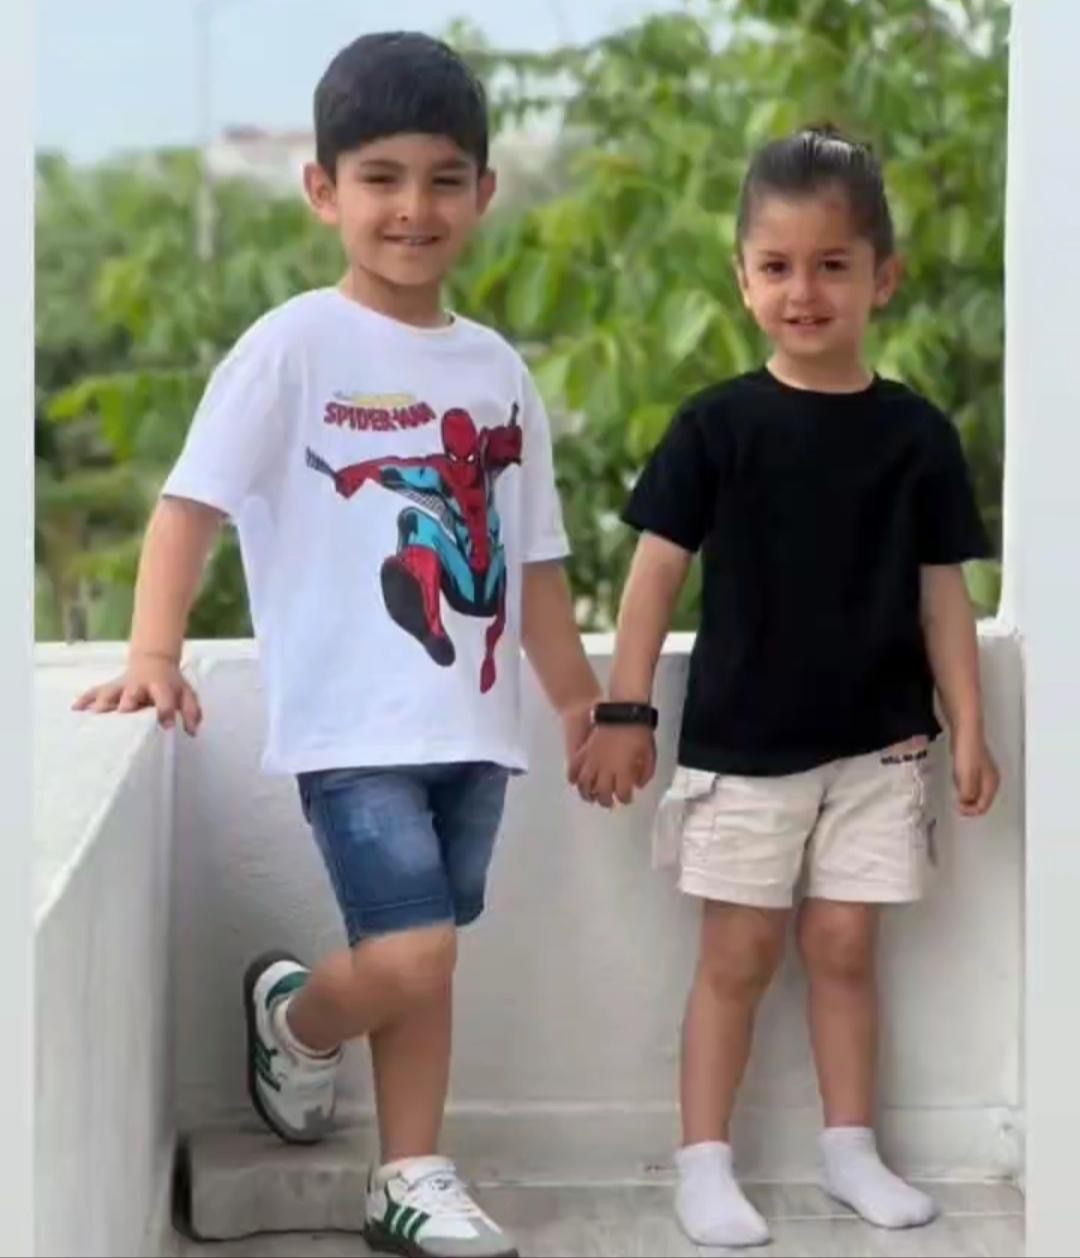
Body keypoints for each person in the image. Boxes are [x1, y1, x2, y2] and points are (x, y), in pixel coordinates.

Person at [74, 31, 601, 1258]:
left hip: (477, 729)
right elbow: (189, 506)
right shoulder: (293, 345)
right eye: (381, 177)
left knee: (426, 958)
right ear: (323, 190)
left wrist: (581, 700)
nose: (414, 207)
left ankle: (407, 1174)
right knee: (412, 952)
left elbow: (532, 558)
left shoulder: (497, 370)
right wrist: (153, 654)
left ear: (483, 190)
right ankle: (298, 1024)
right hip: (350, 728)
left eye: (443, 178)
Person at [570, 125, 1000, 1249]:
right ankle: (703, 1165)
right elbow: (652, 576)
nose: (802, 291)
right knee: (739, 956)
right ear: (743, 277)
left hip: (881, 746)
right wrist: (625, 710)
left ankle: (850, 1149)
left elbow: (943, 595)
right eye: (777, 266)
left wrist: (967, 724)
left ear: (882, 277)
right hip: (743, 747)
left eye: (831, 265)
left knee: (846, 947)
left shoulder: (917, 435)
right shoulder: (715, 426)